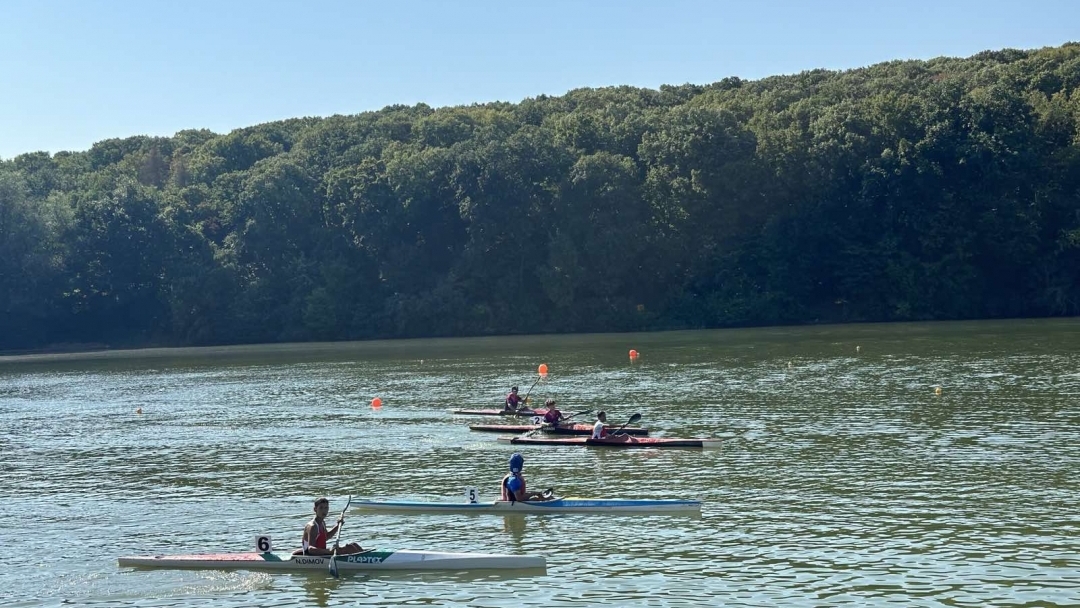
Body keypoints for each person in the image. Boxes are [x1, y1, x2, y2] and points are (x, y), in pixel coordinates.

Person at [294, 497, 363, 556]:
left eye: (326, 508)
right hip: (312, 557)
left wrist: (338, 525)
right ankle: (365, 560)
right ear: (315, 509)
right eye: (321, 508)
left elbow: (326, 537)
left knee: (354, 545)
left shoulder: (322, 523)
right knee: (349, 548)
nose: (324, 511)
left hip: (321, 554)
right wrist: (329, 551)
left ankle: (366, 557)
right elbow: (311, 549)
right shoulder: (313, 526)